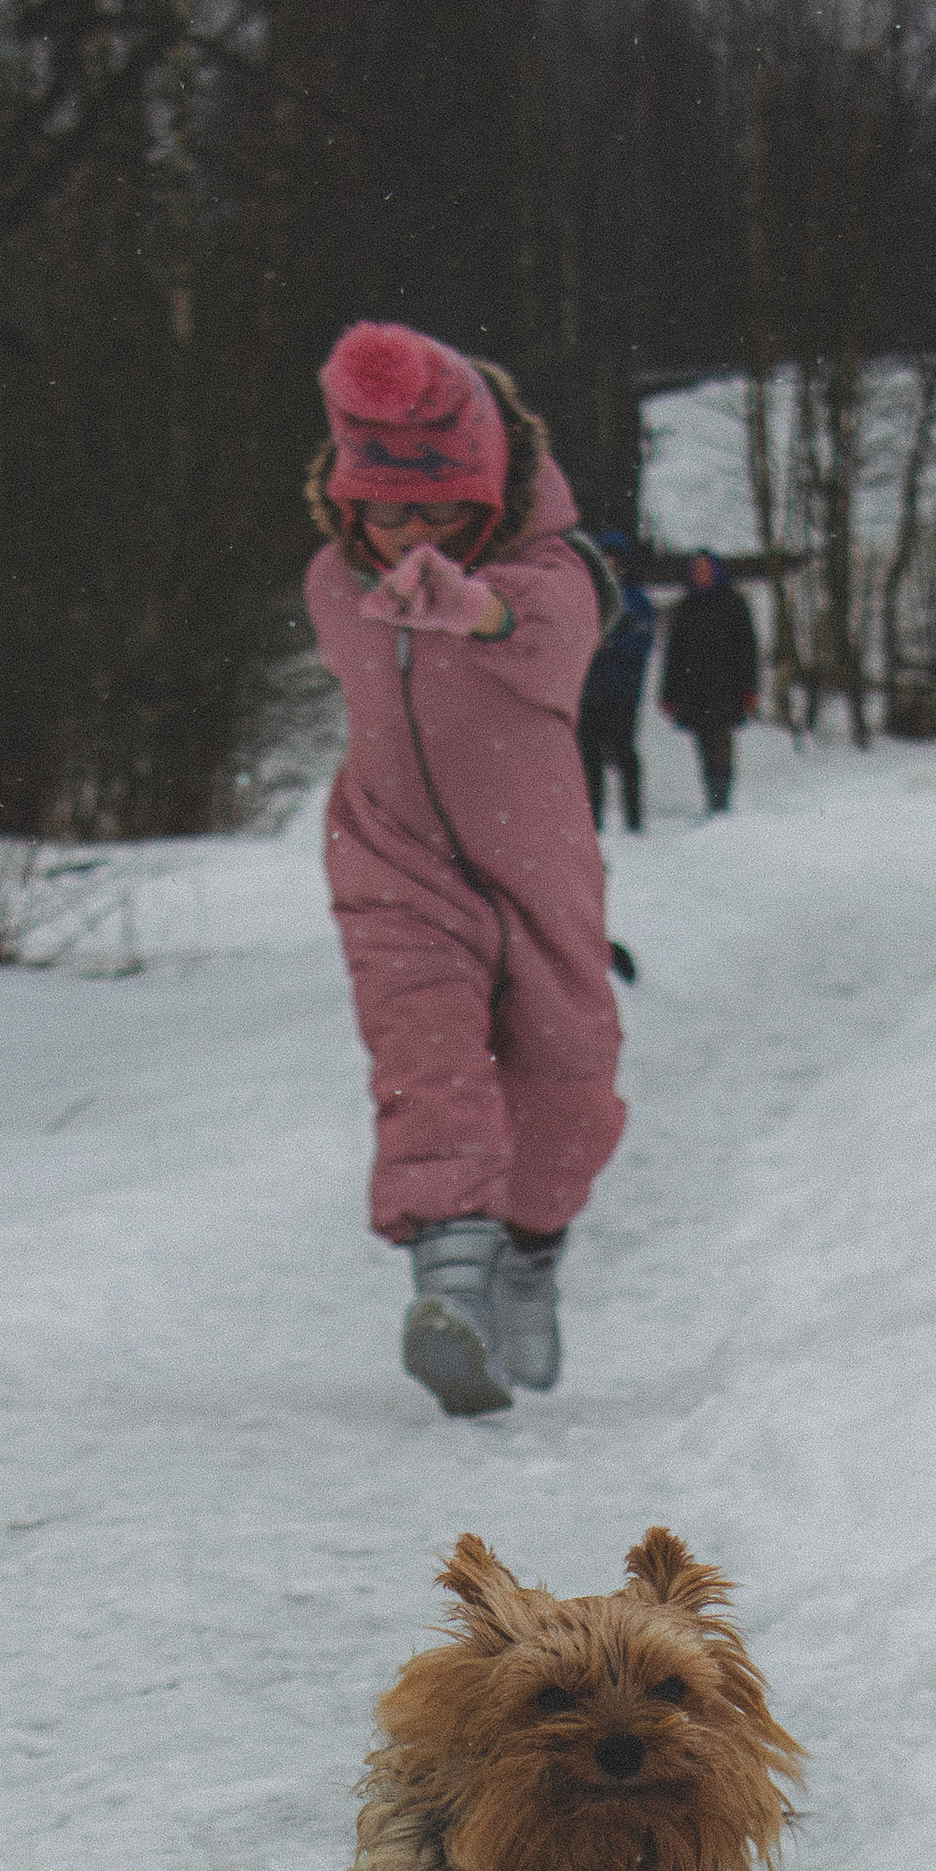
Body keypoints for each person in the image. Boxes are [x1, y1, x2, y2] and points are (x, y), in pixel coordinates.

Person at [304, 323, 624, 1417]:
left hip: (535, 871)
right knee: (428, 1060)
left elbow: (545, 633)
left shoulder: (552, 579)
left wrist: (470, 609)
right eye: (386, 511)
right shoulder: (331, 584)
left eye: (441, 512)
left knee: (568, 1094)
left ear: (491, 496)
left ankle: (527, 1256)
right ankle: (449, 1292)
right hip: (393, 863)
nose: (410, 536)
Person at [659, 550, 762, 814]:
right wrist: (669, 693)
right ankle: (712, 800)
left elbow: (747, 649)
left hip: (727, 688)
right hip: (695, 690)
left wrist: (750, 687)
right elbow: (675, 655)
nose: (701, 574)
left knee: (720, 744)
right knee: (704, 746)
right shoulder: (686, 608)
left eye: (705, 569)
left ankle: (721, 803)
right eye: (697, 569)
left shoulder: (733, 603)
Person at [577, 529, 656, 834]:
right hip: (590, 689)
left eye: (615, 559)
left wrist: (609, 644)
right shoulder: (588, 597)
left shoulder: (636, 600)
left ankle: (634, 819)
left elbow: (642, 641)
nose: (610, 564)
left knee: (625, 752)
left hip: (623, 689)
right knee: (591, 755)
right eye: (605, 559)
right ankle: (593, 821)